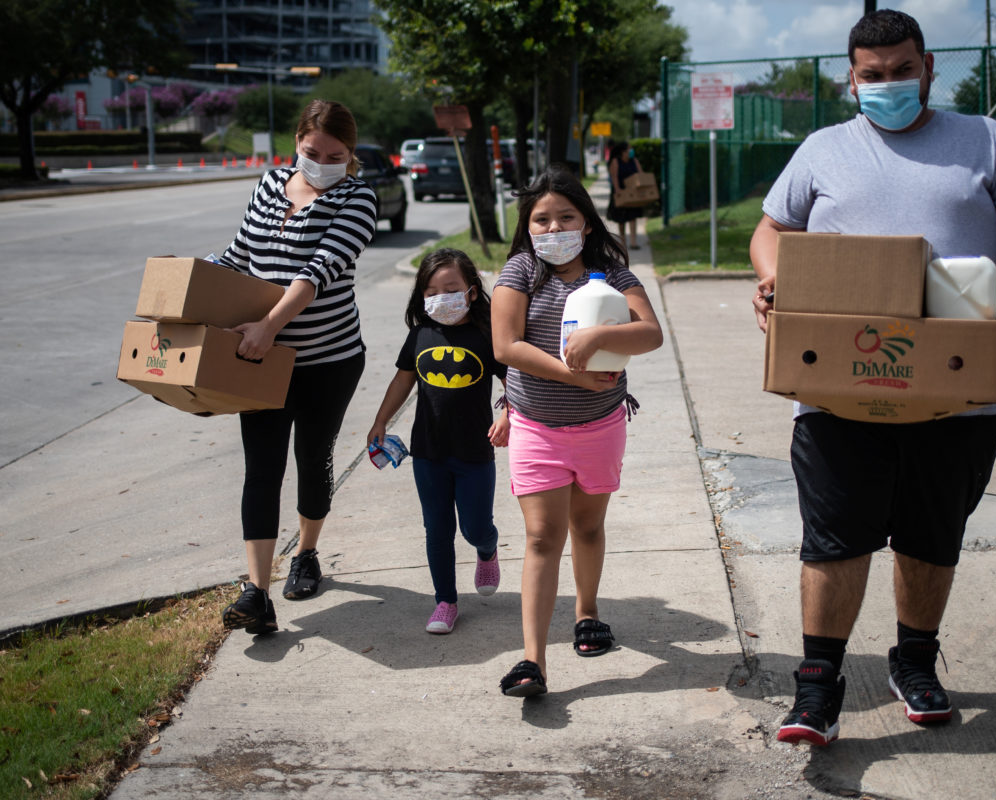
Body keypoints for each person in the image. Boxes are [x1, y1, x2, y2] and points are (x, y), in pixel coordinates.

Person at [748, 10, 996, 746]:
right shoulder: (823, 149)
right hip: (836, 383)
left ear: (927, 67)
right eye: (872, 74)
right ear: (851, 79)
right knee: (834, 538)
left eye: (901, 69)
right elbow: (771, 229)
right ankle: (818, 686)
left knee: (931, 533)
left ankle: (914, 660)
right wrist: (771, 279)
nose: (888, 84)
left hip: (956, 389)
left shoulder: (985, 139)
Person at [491, 165, 664, 696]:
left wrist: (599, 337)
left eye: (566, 217)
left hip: (601, 423)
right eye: (541, 219)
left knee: (587, 528)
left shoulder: (612, 272)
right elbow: (505, 346)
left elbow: (650, 332)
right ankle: (533, 662)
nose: (553, 228)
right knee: (543, 536)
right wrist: (572, 372)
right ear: (528, 226)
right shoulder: (519, 271)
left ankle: (587, 613)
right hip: (536, 425)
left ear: (586, 223)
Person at [218, 99, 378, 635]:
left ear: (350, 153)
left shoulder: (358, 197)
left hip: (327, 360)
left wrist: (268, 325)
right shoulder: (269, 185)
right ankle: (257, 592)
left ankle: (306, 553)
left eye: (336, 155)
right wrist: (192, 286)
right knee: (261, 467)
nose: (322, 162)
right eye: (313, 152)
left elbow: (319, 271)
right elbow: (240, 255)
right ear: (296, 143)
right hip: (260, 361)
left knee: (312, 458)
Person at [367, 248, 509, 635]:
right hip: (429, 452)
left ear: (472, 292)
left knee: (475, 527)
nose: (440, 297)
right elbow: (402, 379)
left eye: (450, 288)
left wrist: (508, 415)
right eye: (431, 290)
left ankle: (488, 548)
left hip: (475, 451)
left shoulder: (487, 334)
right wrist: (381, 420)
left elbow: (513, 380)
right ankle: (445, 601)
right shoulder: (420, 334)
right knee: (437, 528)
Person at [604, 141, 645, 250]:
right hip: (621, 192)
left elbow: (640, 174)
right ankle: (623, 242)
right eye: (629, 149)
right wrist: (618, 190)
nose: (631, 151)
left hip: (633, 192)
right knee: (621, 218)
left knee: (633, 217)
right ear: (623, 152)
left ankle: (633, 242)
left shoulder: (634, 161)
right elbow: (614, 177)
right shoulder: (615, 162)